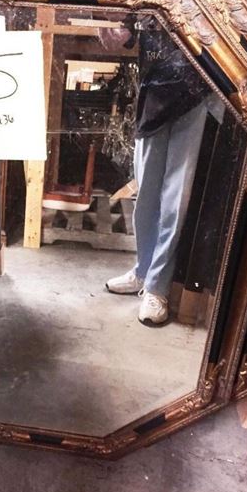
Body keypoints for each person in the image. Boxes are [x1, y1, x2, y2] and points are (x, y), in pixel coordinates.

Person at [101, 16, 216, 325]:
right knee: (147, 196)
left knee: (176, 201)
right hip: (153, 93)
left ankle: (157, 286)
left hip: (197, 91)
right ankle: (144, 271)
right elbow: (120, 33)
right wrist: (112, 23)